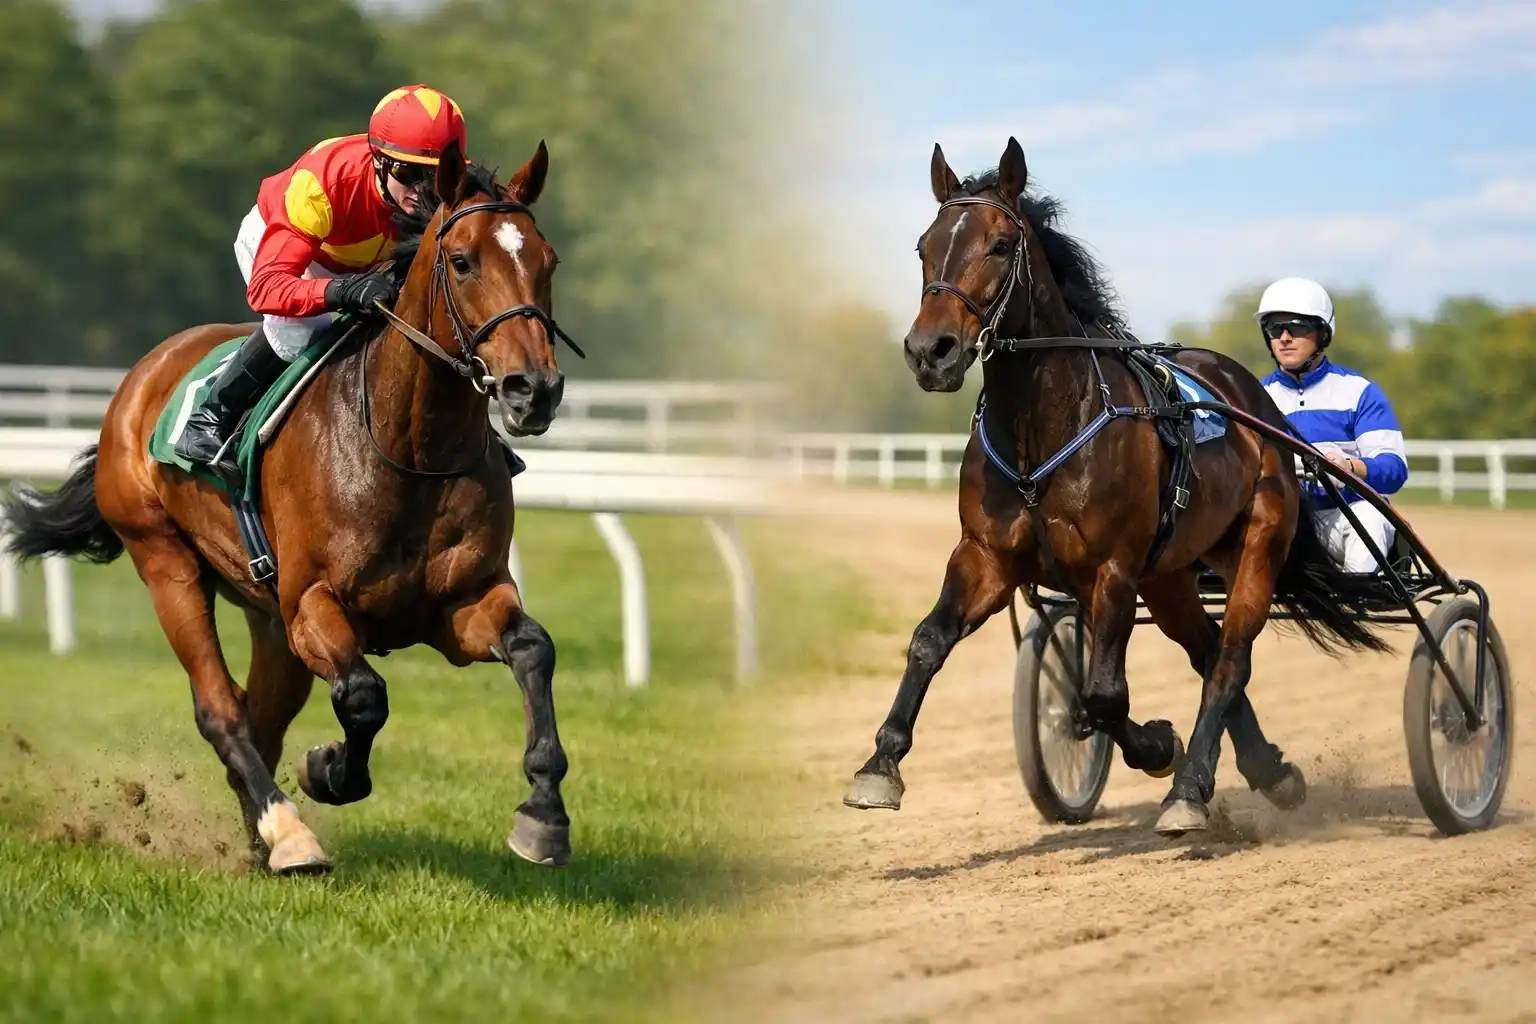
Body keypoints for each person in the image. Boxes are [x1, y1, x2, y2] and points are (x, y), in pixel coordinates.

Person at [174, 84, 469, 469]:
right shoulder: (324, 185)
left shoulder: (448, 193)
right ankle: (210, 418)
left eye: (437, 176)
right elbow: (267, 288)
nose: (423, 191)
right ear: (379, 161)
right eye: (408, 172)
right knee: (302, 329)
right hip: (283, 248)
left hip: (363, 263)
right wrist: (343, 291)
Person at [1256, 277, 1409, 573]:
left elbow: (1393, 470)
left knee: (1371, 517)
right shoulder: (1254, 397)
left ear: (1322, 333)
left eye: (1296, 327)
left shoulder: (1360, 392)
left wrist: (1349, 467)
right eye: (1275, 329)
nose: (1284, 338)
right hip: (1279, 522)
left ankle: (1357, 597)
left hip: (1343, 519)